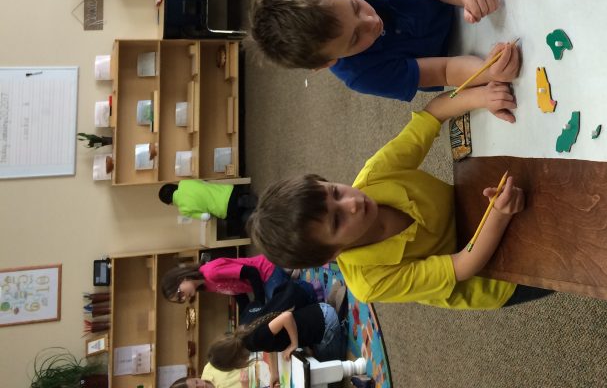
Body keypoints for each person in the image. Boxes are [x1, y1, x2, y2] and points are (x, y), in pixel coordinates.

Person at [248, 85, 552, 309]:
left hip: (479, 204)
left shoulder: (375, 174)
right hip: (494, 276)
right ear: (331, 256)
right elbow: (463, 265)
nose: (352, 203)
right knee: (561, 263)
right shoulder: (369, 283)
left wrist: (482, 97)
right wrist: (498, 215)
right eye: (337, 220)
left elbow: (432, 115)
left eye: (335, 192)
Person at [248, 0, 521, 102]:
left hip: (452, 7)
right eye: (355, 38)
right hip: (452, 58)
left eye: (355, 6)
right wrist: (489, 71)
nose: (371, 21)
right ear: (329, 62)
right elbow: (445, 70)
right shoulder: (361, 75)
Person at [206, 282, 348, 381]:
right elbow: (269, 342)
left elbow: (286, 317)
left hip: (324, 323)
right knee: (312, 353)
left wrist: (293, 344)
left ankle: (337, 313)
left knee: (332, 366)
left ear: (234, 362)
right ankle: (331, 305)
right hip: (316, 310)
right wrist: (274, 372)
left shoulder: (254, 340)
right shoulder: (244, 332)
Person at [159, 255, 314, 313]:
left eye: (179, 294)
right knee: (274, 309)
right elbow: (238, 292)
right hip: (262, 281)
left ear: (181, 278)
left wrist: (259, 303)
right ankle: (290, 277)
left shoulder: (211, 272)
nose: (184, 298)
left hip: (266, 271)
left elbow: (252, 272)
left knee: (282, 306)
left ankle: (306, 286)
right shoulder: (206, 285)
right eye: (180, 300)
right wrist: (247, 315)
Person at [157, 180, 257, 234]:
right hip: (230, 191)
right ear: (173, 185)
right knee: (241, 200)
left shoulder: (183, 210)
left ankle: (254, 215)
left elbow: (206, 216)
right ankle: (249, 201)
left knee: (239, 218)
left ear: (170, 203)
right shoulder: (184, 182)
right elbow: (203, 183)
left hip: (225, 209)